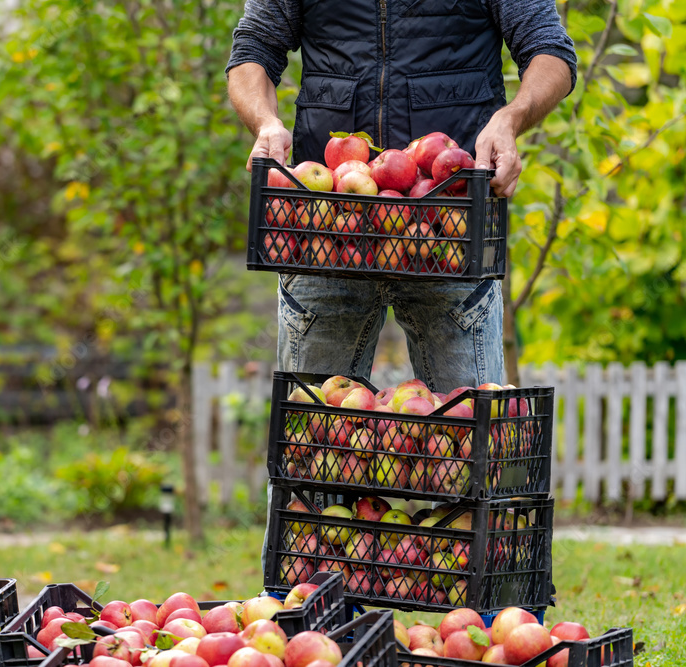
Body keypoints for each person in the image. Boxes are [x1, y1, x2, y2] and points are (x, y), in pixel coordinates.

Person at [225, 0, 577, 391]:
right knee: (317, 438)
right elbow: (254, 47)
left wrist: (510, 119)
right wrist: (265, 121)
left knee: (460, 441)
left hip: (450, 229)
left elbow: (550, 49)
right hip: (327, 231)